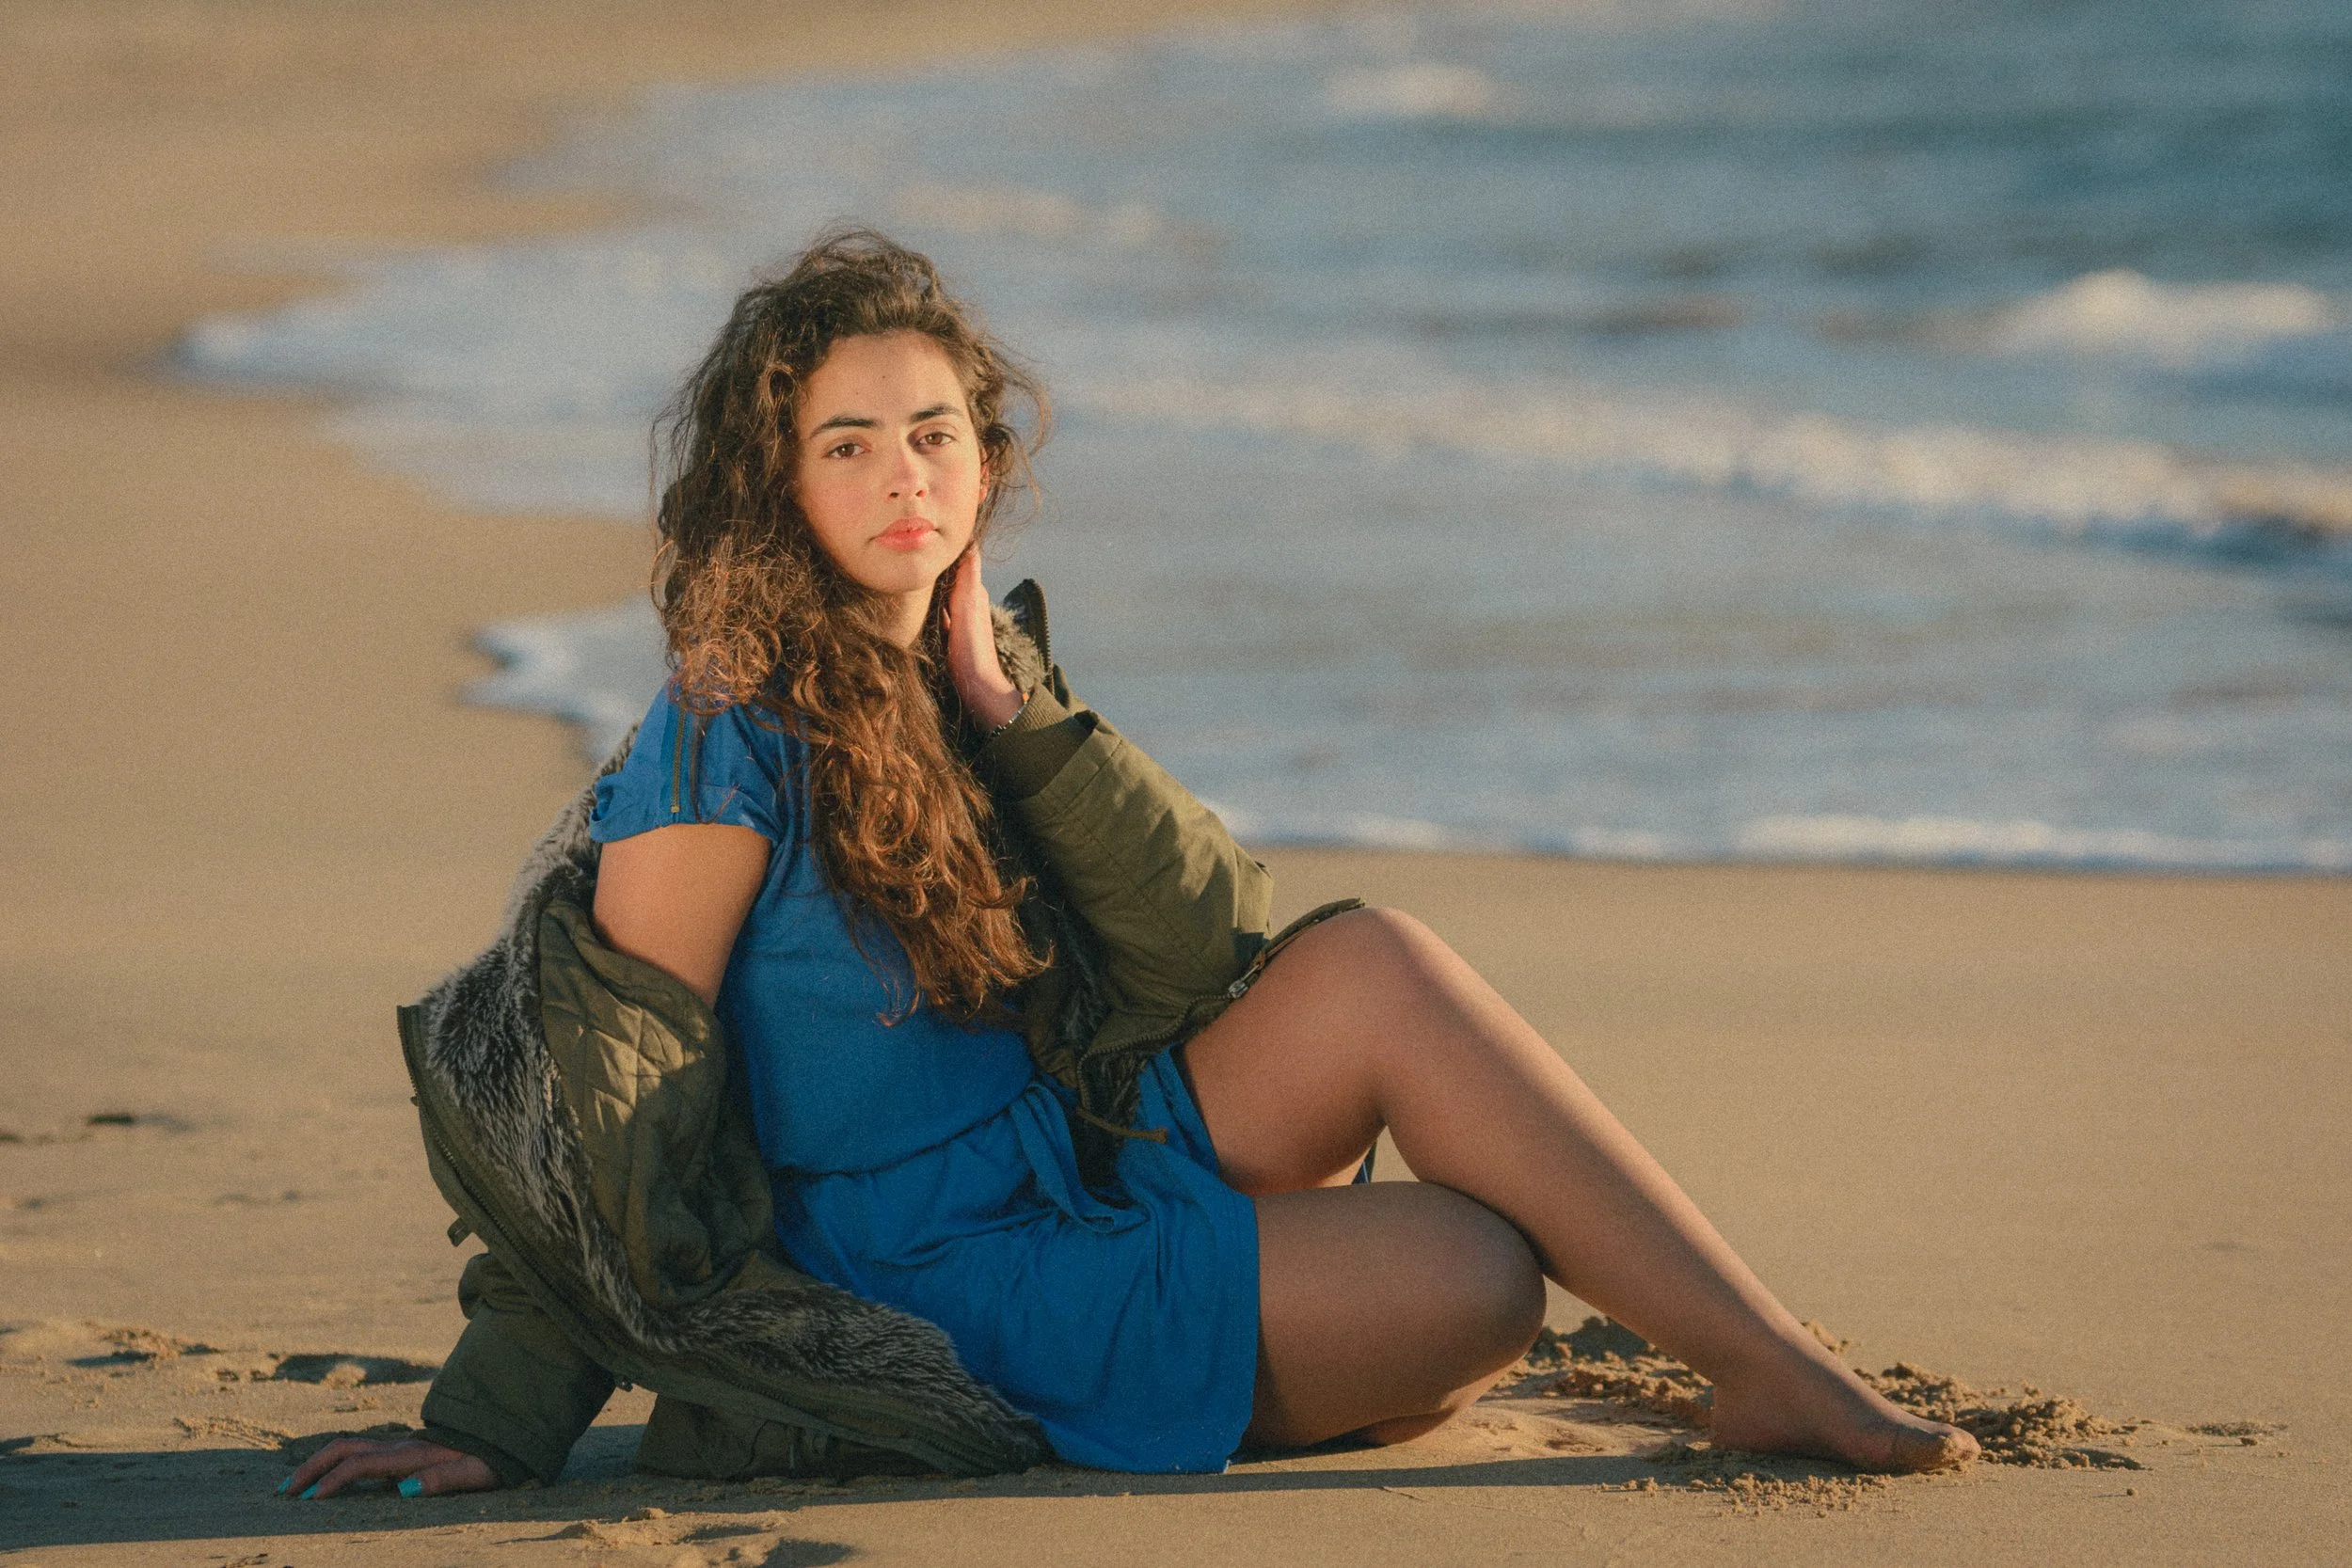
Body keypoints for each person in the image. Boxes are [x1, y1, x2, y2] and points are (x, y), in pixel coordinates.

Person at [286, 230, 1976, 1500]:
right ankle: (1326, 1346)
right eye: (850, 442)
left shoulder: (972, 677)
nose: (906, 478)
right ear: (775, 478)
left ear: (986, 455)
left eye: (937, 433)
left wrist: (1015, 717)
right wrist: (488, 1424)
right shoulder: (726, 726)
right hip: (926, 1267)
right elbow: (612, 1112)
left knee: (1374, 960)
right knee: (1476, 1276)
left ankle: (1771, 1367)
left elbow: (1206, 946)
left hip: (1071, 1143)